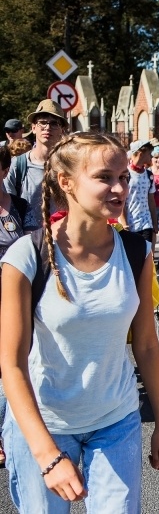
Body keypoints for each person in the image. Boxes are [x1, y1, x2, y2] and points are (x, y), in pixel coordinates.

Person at [0, 132, 159, 512]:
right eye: (104, 177)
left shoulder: (136, 250)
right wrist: (46, 454)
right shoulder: (26, 256)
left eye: (124, 177)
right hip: (44, 422)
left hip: (116, 420)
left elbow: (145, 344)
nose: (119, 188)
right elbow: (11, 363)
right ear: (66, 182)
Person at [0, 145, 29, 468]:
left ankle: (12, 430)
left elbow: (34, 246)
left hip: (16, 297)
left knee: (13, 363)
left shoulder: (20, 207)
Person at [4, 100, 69, 231]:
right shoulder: (18, 165)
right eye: (43, 122)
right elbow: (8, 207)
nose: (47, 127)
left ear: (62, 129)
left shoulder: (69, 166)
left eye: (54, 123)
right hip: (27, 240)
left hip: (63, 241)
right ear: (33, 128)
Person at [119, 138, 158, 243]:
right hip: (130, 224)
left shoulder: (149, 175)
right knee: (132, 257)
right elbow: (120, 199)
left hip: (146, 223)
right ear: (141, 153)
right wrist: (124, 223)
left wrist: (154, 223)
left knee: (146, 255)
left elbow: (151, 200)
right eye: (149, 153)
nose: (151, 156)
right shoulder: (126, 174)